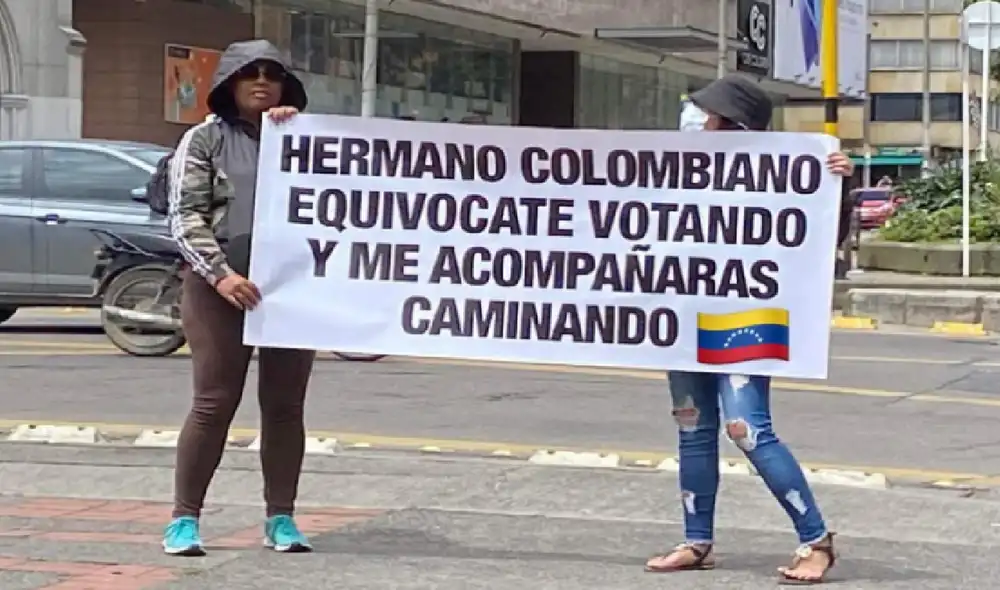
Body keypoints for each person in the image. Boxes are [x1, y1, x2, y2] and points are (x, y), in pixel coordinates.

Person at [645, 74, 855, 585]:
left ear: (734, 126)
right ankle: (697, 541)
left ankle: (816, 540)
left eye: (708, 115)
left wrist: (839, 186)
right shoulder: (676, 171)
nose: (696, 122)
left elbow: (817, 234)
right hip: (684, 315)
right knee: (693, 426)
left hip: (746, 316)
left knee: (747, 428)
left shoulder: (777, 173)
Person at [163, 39, 316, 557]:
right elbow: (185, 215)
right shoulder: (204, 140)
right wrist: (221, 276)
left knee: (284, 405)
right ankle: (184, 520)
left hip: (290, 288)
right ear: (229, 82)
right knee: (214, 402)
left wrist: (297, 131)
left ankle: (281, 518)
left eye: (273, 74)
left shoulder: (307, 139)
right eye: (251, 72)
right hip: (220, 289)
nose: (262, 82)